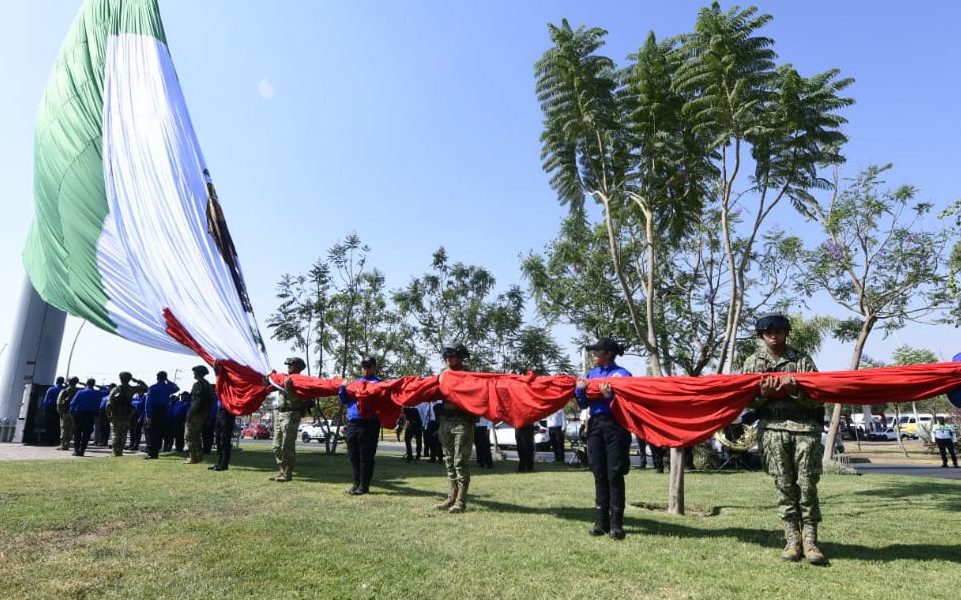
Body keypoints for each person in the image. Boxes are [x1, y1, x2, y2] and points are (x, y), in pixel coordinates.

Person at [739, 312, 825, 565]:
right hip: (772, 431)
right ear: (761, 335)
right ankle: (792, 540)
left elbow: (818, 397)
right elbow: (745, 400)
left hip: (804, 429)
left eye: (778, 331)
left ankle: (810, 542)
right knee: (784, 486)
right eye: (769, 333)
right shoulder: (752, 362)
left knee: (807, 486)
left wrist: (795, 391)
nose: (774, 336)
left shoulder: (802, 360)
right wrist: (763, 395)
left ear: (786, 333)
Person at [575, 338, 632, 540]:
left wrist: (609, 397)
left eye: (596, 351)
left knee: (614, 473)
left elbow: (627, 404)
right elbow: (583, 404)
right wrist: (580, 390)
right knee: (598, 472)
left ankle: (616, 525)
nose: (593, 355)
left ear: (608, 353)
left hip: (616, 425)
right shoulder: (591, 374)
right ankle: (601, 523)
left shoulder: (623, 374)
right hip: (596, 425)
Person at [434, 344, 477, 513]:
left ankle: (460, 501)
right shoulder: (443, 375)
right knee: (449, 461)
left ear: (460, 358)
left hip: (463, 423)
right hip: (446, 422)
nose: (448, 359)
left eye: (451, 356)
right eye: (446, 356)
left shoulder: (469, 376)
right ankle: (451, 497)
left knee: (460, 462)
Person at [340, 357, 383, 494]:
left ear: (374, 367)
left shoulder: (378, 384)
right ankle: (356, 484)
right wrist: (343, 387)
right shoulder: (354, 383)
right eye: (364, 366)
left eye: (369, 366)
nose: (365, 369)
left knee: (366, 456)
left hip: (369, 423)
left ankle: (364, 486)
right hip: (353, 423)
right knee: (353, 456)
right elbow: (344, 400)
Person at [270, 357, 310, 482]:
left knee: (286, 446)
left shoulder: (300, 382)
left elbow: (295, 399)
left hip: (291, 414)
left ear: (297, 367)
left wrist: (288, 388)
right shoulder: (285, 378)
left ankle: (287, 473)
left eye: (290, 365)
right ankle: (281, 471)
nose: (288, 367)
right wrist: (271, 377)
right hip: (279, 413)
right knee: (276, 446)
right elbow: (271, 386)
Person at [106, 372, 148, 457]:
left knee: (116, 434)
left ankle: (115, 452)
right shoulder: (131, 389)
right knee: (123, 434)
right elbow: (146, 388)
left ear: (120, 379)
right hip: (127, 414)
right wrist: (137, 381)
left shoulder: (116, 389)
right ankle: (120, 452)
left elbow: (109, 403)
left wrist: (108, 415)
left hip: (116, 414)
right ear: (129, 379)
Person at [184, 365, 215, 464]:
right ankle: (199, 456)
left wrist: (190, 413)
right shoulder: (208, 385)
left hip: (196, 414)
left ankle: (193, 457)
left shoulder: (198, 385)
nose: (194, 374)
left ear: (198, 373)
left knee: (189, 436)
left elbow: (196, 402)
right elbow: (213, 400)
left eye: (195, 372)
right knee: (197, 435)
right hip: (204, 414)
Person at [144, 372, 178, 459]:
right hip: (164, 411)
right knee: (159, 433)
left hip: (154, 411)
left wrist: (148, 416)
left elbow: (149, 403)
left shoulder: (153, 387)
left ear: (157, 378)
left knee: (151, 433)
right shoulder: (167, 387)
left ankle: (151, 453)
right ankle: (156, 452)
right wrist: (168, 380)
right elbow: (176, 388)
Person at [70, 379, 102, 456]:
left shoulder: (80, 392)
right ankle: (82, 450)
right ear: (94, 384)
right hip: (91, 414)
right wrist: (99, 386)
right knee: (87, 433)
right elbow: (108, 391)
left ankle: (76, 450)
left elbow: (73, 403)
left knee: (77, 432)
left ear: (86, 383)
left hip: (79, 413)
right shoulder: (97, 393)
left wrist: (72, 412)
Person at [210, 398, 236, 471]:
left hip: (227, 414)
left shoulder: (229, 393)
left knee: (224, 441)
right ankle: (219, 463)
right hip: (219, 413)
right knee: (218, 440)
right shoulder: (220, 394)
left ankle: (224, 464)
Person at [56, 377, 80, 451]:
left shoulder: (65, 391)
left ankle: (63, 445)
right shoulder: (78, 391)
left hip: (65, 412)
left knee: (64, 428)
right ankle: (68, 444)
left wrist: (60, 412)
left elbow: (59, 403)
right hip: (74, 412)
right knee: (70, 429)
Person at [42, 376, 65, 446]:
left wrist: (45, 408)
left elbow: (46, 400)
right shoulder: (64, 389)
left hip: (50, 407)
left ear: (56, 381)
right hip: (60, 408)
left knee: (49, 425)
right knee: (58, 425)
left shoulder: (51, 389)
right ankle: (57, 440)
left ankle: (49, 441)